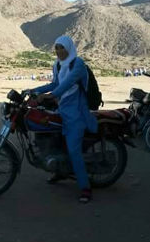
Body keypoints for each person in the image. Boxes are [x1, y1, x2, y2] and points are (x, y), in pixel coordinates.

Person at [27, 35, 98, 203]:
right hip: (62, 109)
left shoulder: (78, 64)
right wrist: (32, 90)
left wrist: (48, 97)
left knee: (74, 150)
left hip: (77, 113)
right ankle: (60, 171)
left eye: (62, 47)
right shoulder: (58, 65)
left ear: (69, 48)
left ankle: (85, 188)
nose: (59, 51)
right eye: (56, 48)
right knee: (54, 139)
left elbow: (64, 86)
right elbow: (55, 84)